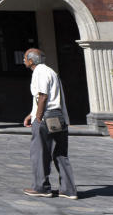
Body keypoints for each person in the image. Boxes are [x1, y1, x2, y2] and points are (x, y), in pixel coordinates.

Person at [22, 48, 77, 199]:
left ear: (31, 61)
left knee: (39, 153)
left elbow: (43, 96)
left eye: (25, 58)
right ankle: (69, 190)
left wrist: (38, 118)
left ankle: (41, 187)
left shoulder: (39, 72)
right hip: (58, 116)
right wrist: (31, 114)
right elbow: (49, 98)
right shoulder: (51, 71)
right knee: (60, 154)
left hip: (46, 117)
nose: (23, 60)